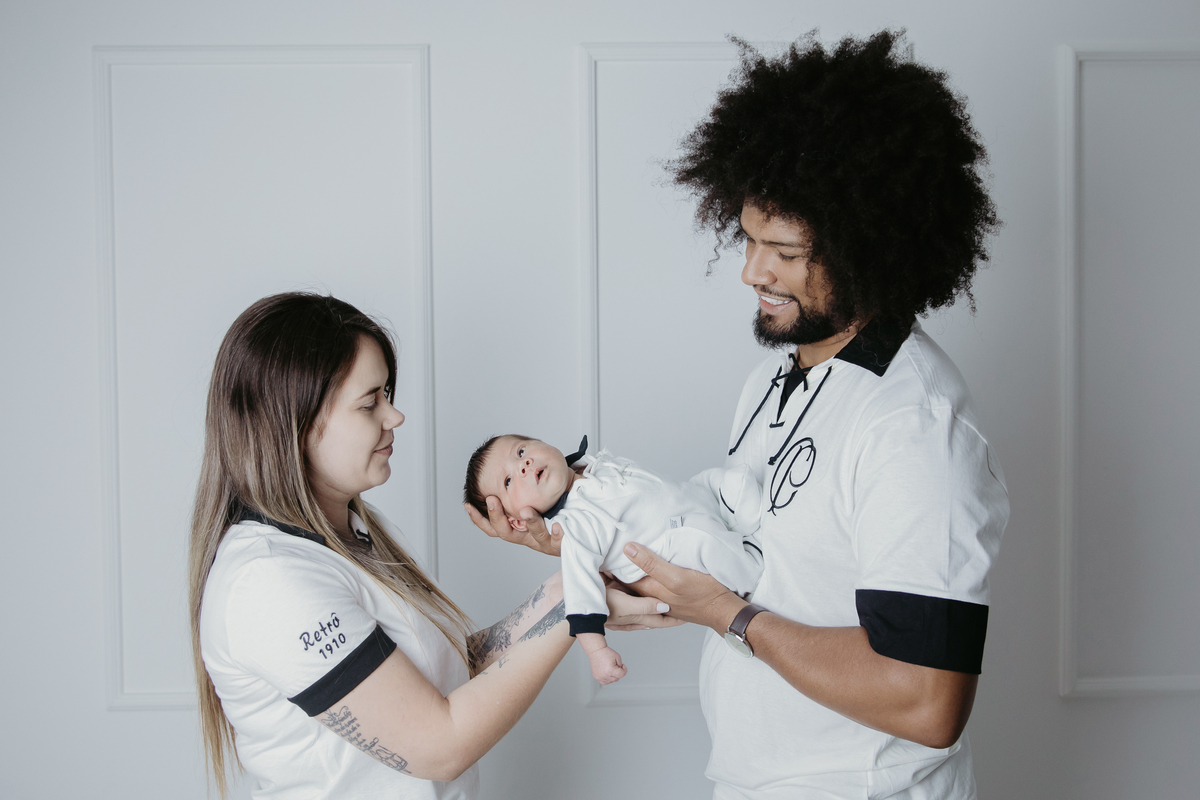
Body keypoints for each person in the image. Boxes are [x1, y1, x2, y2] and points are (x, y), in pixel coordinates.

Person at [468, 30, 1008, 800]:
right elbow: (729, 567)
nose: (753, 271)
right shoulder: (771, 382)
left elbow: (927, 699)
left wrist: (727, 615)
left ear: (867, 246)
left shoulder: (915, 427)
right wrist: (567, 542)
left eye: (783, 249)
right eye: (749, 240)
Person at [188, 292, 672, 800]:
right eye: (369, 402)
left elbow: (445, 674)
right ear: (296, 423)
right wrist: (577, 609)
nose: (394, 417)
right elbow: (439, 745)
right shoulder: (269, 581)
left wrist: (568, 587)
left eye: (388, 395)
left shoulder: (345, 537)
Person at [463, 434, 762, 684]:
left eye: (521, 450)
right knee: (705, 542)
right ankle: (750, 568)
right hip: (674, 543)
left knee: (727, 480)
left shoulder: (591, 467)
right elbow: (581, 592)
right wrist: (597, 651)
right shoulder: (574, 527)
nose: (524, 464)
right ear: (516, 521)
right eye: (508, 481)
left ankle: (743, 523)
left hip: (692, 497)